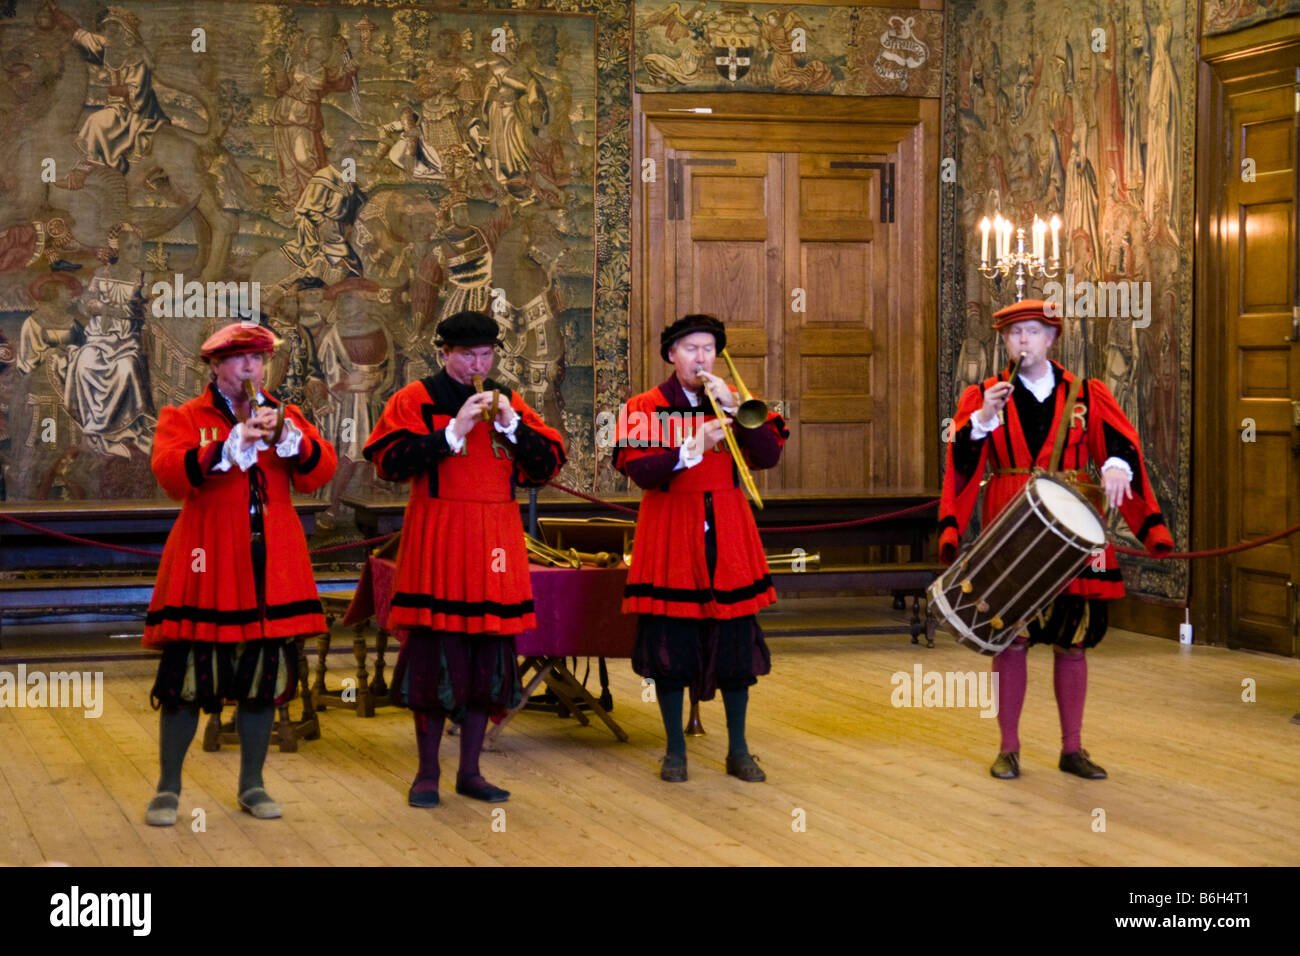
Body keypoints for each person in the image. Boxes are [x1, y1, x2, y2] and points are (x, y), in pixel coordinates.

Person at [938, 299, 1173, 781]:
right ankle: (1009, 748)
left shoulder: (1087, 394)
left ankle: (1072, 748)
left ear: (1051, 340)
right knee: (1011, 639)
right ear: (1005, 342)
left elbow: (1123, 442)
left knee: (1073, 641)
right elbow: (961, 463)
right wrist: (981, 420)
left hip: (1076, 519)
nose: (1023, 340)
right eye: (1014, 334)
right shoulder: (985, 395)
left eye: (1033, 332)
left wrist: (1113, 466)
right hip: (1011, 518)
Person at [362, 311, 565, 807]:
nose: (479, 363)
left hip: (496, 539)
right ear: (444, 354)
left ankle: (470, 770)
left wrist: (513, 427)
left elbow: (545, 468)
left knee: (486, 662)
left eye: (486, 355)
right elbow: (389, 462)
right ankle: (427, 772)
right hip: (439, 535)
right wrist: (453, 431)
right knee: (435, 660)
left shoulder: (509, 401)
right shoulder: (416, 398)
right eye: (468, 355)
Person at [142, 323, 337, 825]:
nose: (251, 369)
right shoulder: (185, 416)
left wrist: (292, 442)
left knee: (261, 679)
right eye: (240, 360)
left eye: (259, 359)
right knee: (187, 678)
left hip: (271, 561)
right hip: (206, 557)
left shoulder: (285, 416)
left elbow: (322, 473)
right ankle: (168, 787)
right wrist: (227, 446)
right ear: (216, 367)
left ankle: (253, 784)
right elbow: (168, 474)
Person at [614, 314, 787, 783]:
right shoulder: (644, 406)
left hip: (729, 528)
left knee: (735, 646)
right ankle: (674, 751)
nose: (701, 357)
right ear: (672, 354)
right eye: (691, 348)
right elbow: (643, 473)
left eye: (709, 349)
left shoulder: (735, 400)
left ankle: (739, 750)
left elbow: (768, 456)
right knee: (672, 645)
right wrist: (690, 447)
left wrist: (738, 410)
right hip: (670, 527)